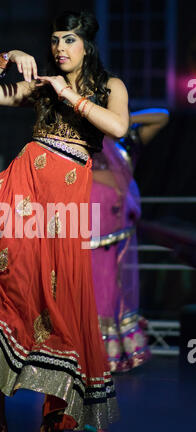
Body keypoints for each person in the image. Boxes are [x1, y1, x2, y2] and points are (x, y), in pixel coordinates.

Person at [0, 10, 129, 432]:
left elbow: (118, 126)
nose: (59, 48)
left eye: (69, 40)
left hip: (65, 204)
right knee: (11, 281)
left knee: (60, 299)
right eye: (54, 41)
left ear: (87, 44)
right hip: (24, 191)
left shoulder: (109, 86)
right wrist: (6, 56)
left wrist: (70, 95)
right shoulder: (42, 87)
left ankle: (58, 402)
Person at [89, 108, 169, 372]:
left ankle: (111, 353)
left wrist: (122, 121)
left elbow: (163, 115)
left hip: (119, 218)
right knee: (91, 281)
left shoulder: (126, 140)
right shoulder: (87, 137)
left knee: (114, 283)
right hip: (88, 220)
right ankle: (87, 351)